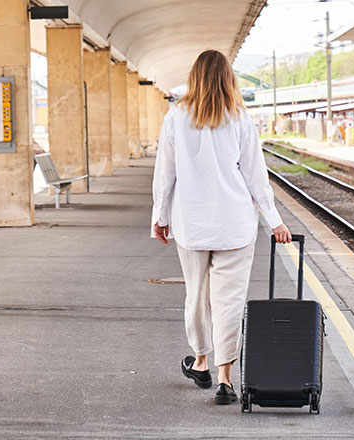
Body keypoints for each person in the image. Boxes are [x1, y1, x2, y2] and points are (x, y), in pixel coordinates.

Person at [151, 49, 292, 405]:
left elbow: (165, 175)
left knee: (197, 295)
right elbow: (255, 176)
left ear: (195, 77)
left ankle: (201, 362)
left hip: (192, 222)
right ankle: (226, 379)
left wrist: (160, 216)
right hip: (235, 225)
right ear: (229, 78)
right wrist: (274, 220)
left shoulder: (175, 117)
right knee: (229, 301)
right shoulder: (240, 118)